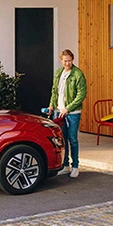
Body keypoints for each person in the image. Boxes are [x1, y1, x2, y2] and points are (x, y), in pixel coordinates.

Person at [48, 49, 87, 178]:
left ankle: (75, 166)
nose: (67, 63)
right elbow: (54, 91)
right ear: (61, 60)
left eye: (69, 61)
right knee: (62, 139)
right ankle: (65, 165)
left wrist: (68, 108)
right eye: (65, 61)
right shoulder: (58, 73)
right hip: (59, 111)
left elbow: (81, 94)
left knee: (72, 139)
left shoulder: (78, 74)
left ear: (72, 60)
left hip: (73, 113)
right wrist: (51, 105)